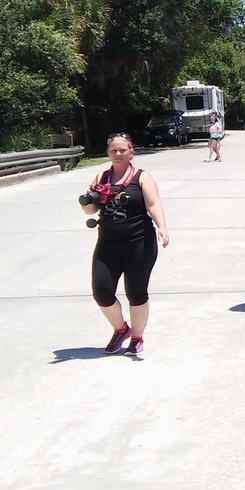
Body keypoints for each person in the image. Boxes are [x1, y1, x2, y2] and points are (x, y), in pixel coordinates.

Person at [81, 132, 170, 356]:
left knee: (136, 292)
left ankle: (137, 338)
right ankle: (121, 329)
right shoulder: (101, 177)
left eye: (123, 150)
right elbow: (90, 210)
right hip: (108, 245)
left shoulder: (141, 177)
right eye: (114, 150)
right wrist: (89, 199)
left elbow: (154, 203)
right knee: (101, 292)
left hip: (139, 243)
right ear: (108, 152)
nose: (118, 153)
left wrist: (162, 226)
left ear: (131, 151)